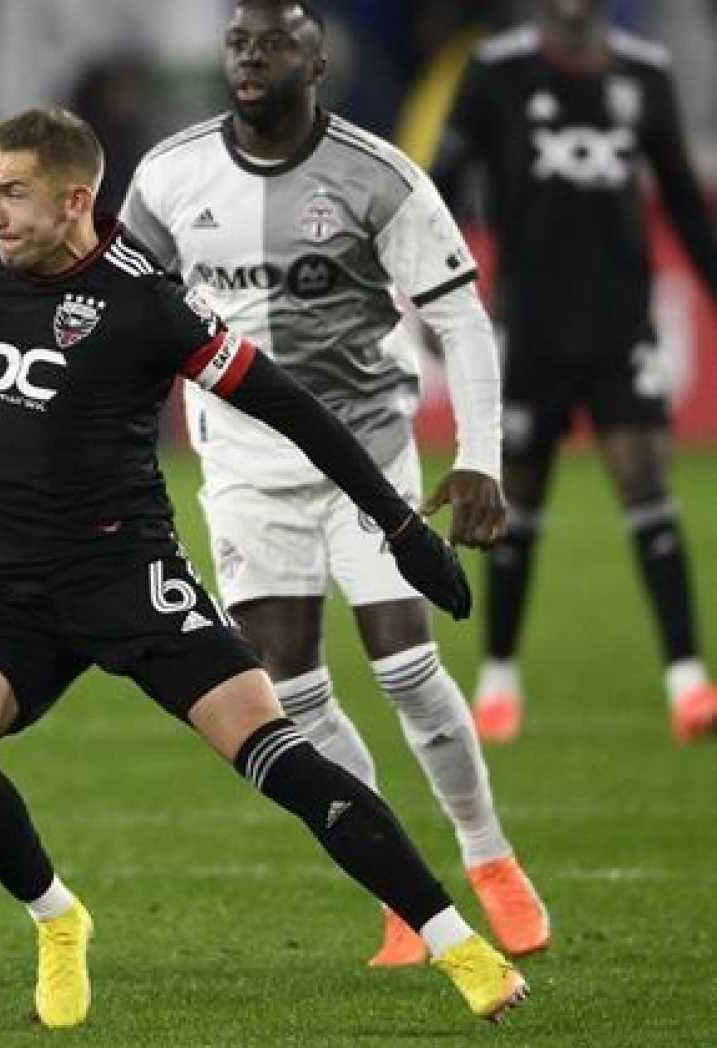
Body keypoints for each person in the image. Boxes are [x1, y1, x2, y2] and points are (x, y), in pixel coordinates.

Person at [0, 103, 527, 1028]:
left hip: (128, 575)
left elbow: (288, 404)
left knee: (278, 753)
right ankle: (57, 920)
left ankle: (456, 945)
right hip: (1, 589)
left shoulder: (147, 303)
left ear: (75, 203)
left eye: (12, 193)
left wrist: (397, 526)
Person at [119, 0, 548, 968]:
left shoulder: (378, 176)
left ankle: (487, 856)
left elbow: (461, 319)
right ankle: (402, 888)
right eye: (237, 43)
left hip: (363, 451)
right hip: (238, 466)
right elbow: (123, 308)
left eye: (274, 45)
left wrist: (477, 454)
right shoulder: (169, 174)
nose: (250, 59)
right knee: (290, 692)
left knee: (404, 664)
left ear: (317, 67)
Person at [431, 0, 717, 745]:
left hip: (621, 322)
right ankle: (497, 678)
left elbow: (683, 201)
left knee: (647, 488)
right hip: (528, 327)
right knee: (513, 502)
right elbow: (440, 183)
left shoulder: (644, 74)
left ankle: (687, 683)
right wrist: (438, 298)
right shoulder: (495, 72)